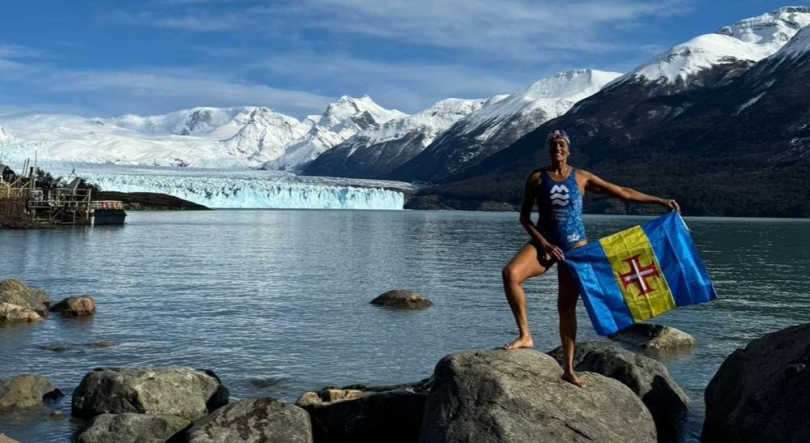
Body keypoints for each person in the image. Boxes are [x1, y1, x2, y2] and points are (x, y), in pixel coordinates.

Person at [501, 129, 679, 388]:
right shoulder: (537, 178)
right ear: (548, 149)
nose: (557, 149)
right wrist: (545, 244)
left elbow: (622, 192)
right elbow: (524, 218)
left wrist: (660, 201)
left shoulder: (581, 177)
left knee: (566, 307)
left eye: (561, 145)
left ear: (569, 149)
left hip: (576, 250)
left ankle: (569, 370)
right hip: (545, 243)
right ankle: (525, 335)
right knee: (511, 274)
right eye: (553, 145)